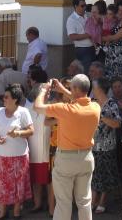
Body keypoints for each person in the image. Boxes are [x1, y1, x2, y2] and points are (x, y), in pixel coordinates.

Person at [33, 74, 101, 220]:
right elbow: (80, 99)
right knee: (84, 201)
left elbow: (37, 107)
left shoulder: (64, 109)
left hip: (66, 159)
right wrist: (64, 90)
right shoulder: (95, 107)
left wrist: (43, 90)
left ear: (74, 88)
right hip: (86, 158)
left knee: (63, 203)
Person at [0, 84, 34, 219]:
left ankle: (16, 211)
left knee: (18, 184)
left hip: (19, 155)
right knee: (2, 183)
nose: (3, 99)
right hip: (2, 155)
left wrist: (18, 133)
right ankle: (2, 212)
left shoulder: (23, 112)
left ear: (15, 99)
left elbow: (31, 131)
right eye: (3, 97)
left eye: (6, 97)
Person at [91, 77, 122, 214]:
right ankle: (93, 200)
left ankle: (102, 201)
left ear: (100, 89)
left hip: (107, 146)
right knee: (94, 174)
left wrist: (101, 117)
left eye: (94, 87)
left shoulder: (111, 104)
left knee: (106, 174)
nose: (93, 89)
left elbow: (117, 123)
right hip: (93, 145)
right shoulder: (92, 102)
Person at [25, 72, 52, 214]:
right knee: (35, 178)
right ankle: (37, 203)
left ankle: (50, 204)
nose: (48, 95)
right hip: (33, 147)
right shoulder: (27, 108)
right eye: (46, 93)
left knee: (49, 179)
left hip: (49, 148)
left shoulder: (52, 106)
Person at [103, 1, 122, 84]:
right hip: (111, 53)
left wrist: (99, 37)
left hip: (119, 54)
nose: (120, 12)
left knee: (120, 79)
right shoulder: (119, 21)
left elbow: (114, 37)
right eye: (119, 10)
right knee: (112, 79)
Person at [67, 0, 94, 72]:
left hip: (92, 48)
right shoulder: (71, 20)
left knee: (93, 71)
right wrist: (88, 35)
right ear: (76, 6)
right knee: (86, 72)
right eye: (82, 6)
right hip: (83, 49)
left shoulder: (87, 15)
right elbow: (72, 36)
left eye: (85, 5)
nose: (84, 7)